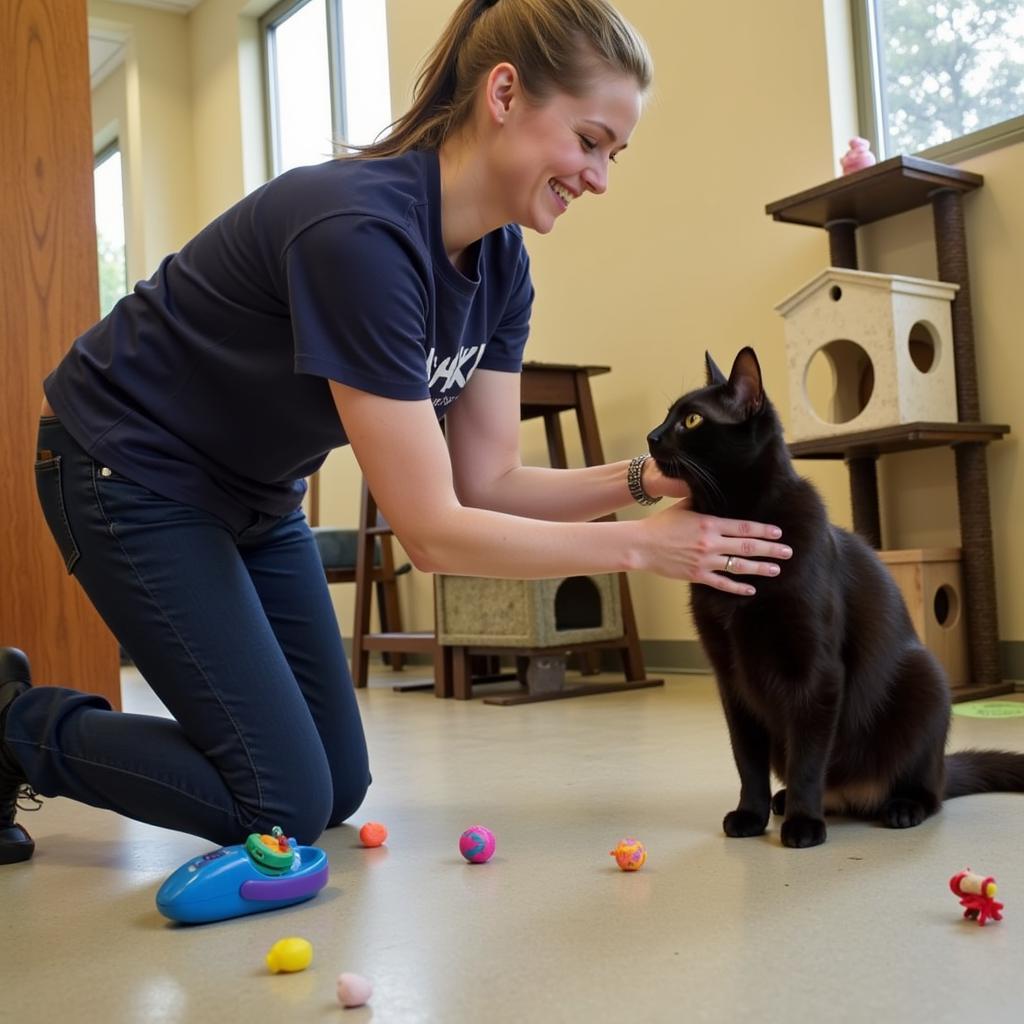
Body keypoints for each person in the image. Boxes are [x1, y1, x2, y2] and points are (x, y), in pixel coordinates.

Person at [0, 0, 792, 866]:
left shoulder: (502, 268)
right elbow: (433, 533)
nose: (601, 177)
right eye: (592, 140)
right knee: (279, 801)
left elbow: (487, 480)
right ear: (503, 94)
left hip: (256, 496)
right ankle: (12, 726)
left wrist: (645, 481)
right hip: (125, 467)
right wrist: (642, 551)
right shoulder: (362, 233)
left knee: (336, 786)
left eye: (615, 154)